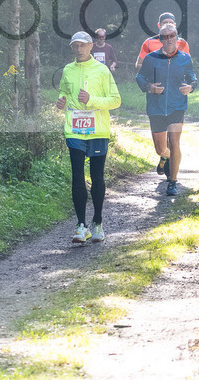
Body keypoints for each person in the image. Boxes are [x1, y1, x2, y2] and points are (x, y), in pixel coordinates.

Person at [57, 30, 122, 243]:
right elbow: (64, 91)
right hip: (74, 129)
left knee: (97, 176)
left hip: (97, 130)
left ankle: (97, 222)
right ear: (72, 48)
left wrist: (91, 100)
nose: (79, 49)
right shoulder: (68, 70)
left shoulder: (102, 70)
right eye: (75, 46)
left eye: (82, 45)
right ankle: (81, 226)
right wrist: (61, 100)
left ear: (91, 46)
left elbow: (115, 100)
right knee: (77, 176)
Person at [135, 23, 196, 196]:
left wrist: (191, 87)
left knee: (174, 142)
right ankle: (165, 157)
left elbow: (192, 78)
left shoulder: (185, 58)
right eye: (165, 36)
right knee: (160, 149)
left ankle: (173, 181)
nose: (169, 39)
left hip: (177, 106)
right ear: (160, 39)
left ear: (177, 37)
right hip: (156, 107)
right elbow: (139, 76)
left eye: (172, 35)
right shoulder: (151, 58)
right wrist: (149, 87)